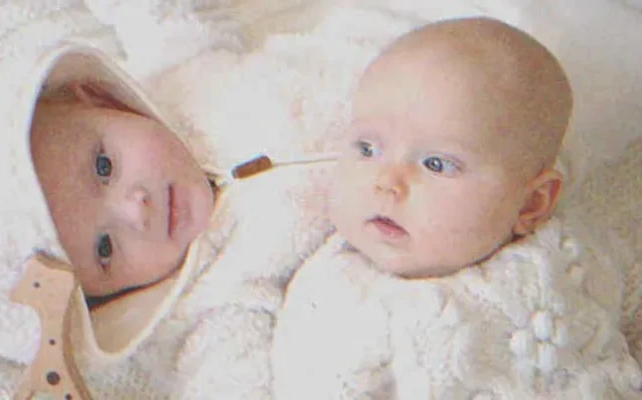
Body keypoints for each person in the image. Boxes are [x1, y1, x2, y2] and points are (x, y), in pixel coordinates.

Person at [0, 0, 337, 397]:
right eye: (105, 248)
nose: (135, 207)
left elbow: (160, 13)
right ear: (104, 302)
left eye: (103, 167)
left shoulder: (179, 71)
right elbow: (229, 379)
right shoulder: (206, 306)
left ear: (98, 98)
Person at [272, 16, 642, 399]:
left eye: (436, 164)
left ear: (532, 203)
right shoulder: (329, 284)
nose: (386, 182)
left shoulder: (573, 263)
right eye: (367, 149)